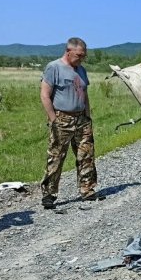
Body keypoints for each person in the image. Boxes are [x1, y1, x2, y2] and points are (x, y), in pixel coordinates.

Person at [39, 37, 98, 208]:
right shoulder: (54, 67)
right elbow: (45, 95)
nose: (81, 58)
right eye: (79, 55)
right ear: (68, 51)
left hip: (82, 119)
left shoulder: (81, 70)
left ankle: (87, 190)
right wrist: (53, 120)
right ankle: (49, 194)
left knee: (86, 156)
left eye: (84, 56)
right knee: (56, 157)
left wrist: (88, 116)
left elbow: (85, 94)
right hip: (62, 119)